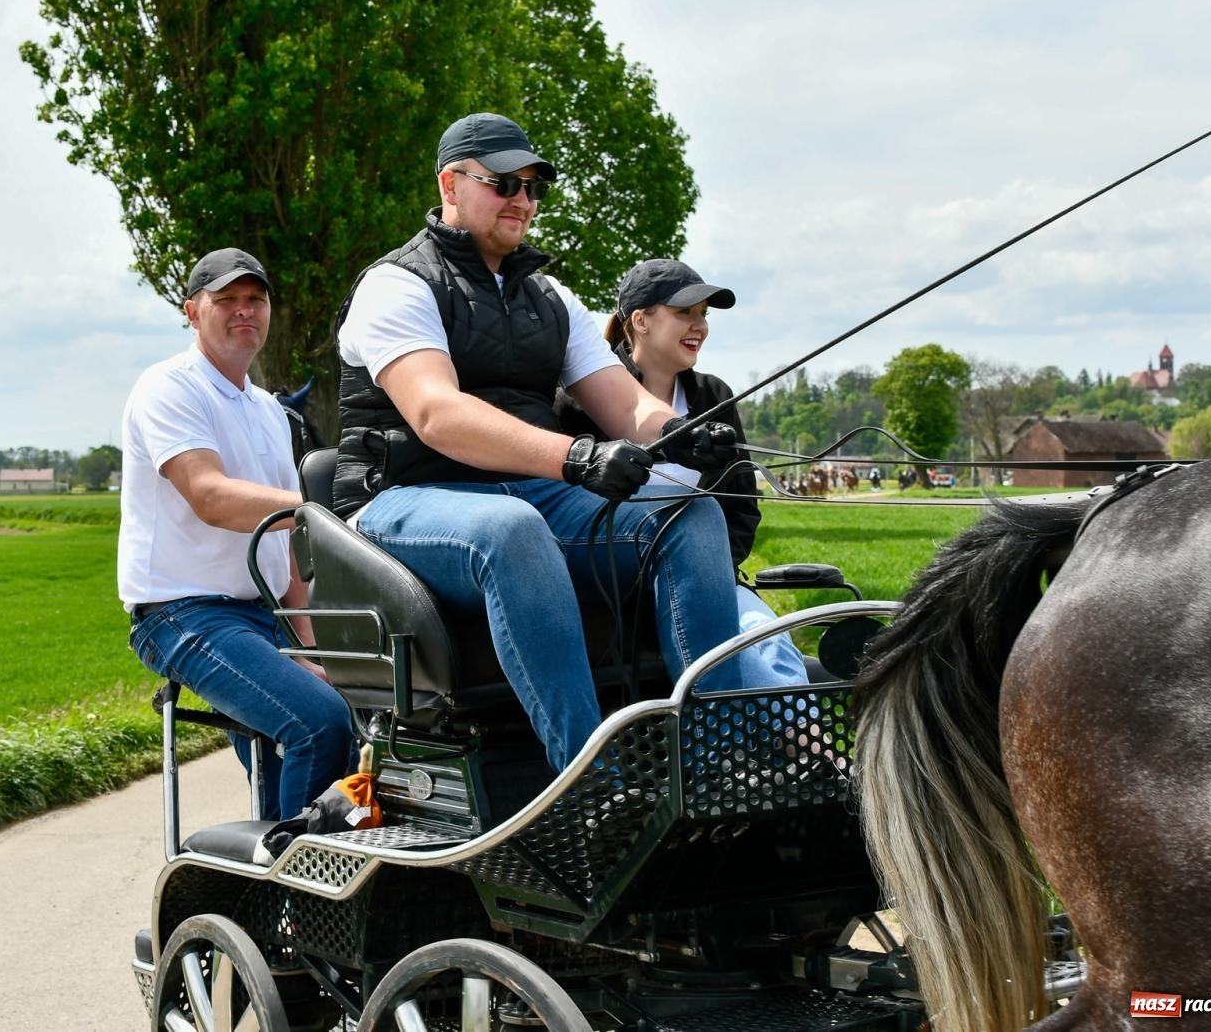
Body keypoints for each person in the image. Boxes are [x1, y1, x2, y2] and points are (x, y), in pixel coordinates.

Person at [332, 112, 769, 774]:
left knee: (691, 513)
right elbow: (436, 413)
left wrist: (679, 435)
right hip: (405, 499)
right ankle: (589, 778)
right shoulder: (398, 283)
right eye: (504, 183)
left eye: (534, 186)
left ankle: (715, 764)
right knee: (512, 528)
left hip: (526, 495)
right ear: (451, 183)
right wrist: (575, 457)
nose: (523, 200)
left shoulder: (551, 298)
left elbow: (623, 403)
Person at [120, 247, 353, 821]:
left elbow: (284, 541)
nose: (244, 311)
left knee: (355, 714)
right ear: (193, 312)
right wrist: (321, 507)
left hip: (262, 617)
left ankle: (273, 891)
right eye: (226, 300)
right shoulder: (169, 387)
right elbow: (210, 496)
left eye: (256, 299)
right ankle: (302, 895)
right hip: (183, 613)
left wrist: (307, 642)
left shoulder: (269, 410)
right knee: (320, 724)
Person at [556, 258, 810, 687]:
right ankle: (807, 748)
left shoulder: (714, 396)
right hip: (613, 589)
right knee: (729, 653)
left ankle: (799, 745)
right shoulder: (576, 402)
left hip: (706, 579)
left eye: (703, 315)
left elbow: (740, 507)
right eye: (684, 313)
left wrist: (706, 574)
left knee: (770, 639)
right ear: (640, 321)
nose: (700, 326)